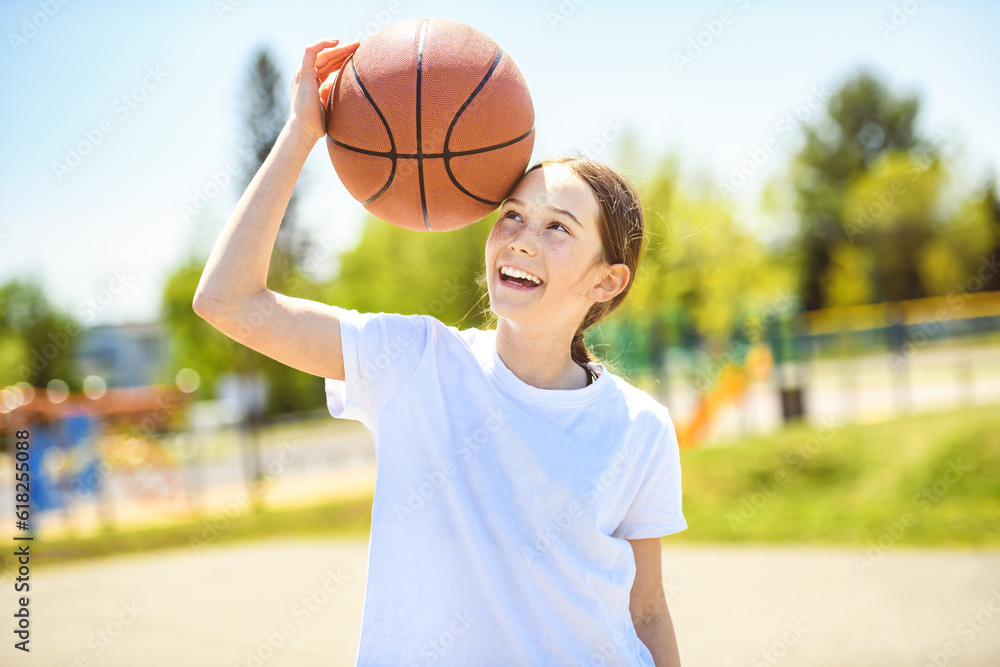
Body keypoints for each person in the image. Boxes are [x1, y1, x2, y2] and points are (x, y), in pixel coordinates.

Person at [194, 39, 686, 667]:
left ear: (606, 281)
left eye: (558, 227)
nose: (520, 240)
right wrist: (300, 133)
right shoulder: (414, 362)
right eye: (511, 216)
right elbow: (228, 301)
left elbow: (645, 611)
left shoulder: (639, 425)